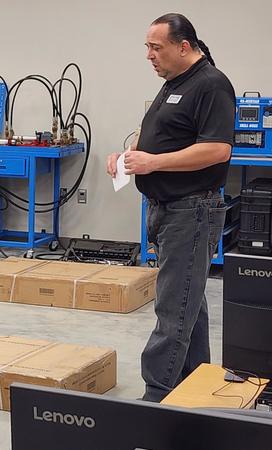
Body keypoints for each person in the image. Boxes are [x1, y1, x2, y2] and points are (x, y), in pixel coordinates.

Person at [106, 13, 234, 402]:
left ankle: (157, 396)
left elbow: (218, 149)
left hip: (191, 210)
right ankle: (196, 383)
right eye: (147, 47)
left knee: (172, 307)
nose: (149, 55)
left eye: (156, 47)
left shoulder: (211, 85)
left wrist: (154, 162)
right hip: (167, 209)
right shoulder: (174, 83)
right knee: (189, 300)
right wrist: (128, 156)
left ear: (183, 46)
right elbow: (162, 135)